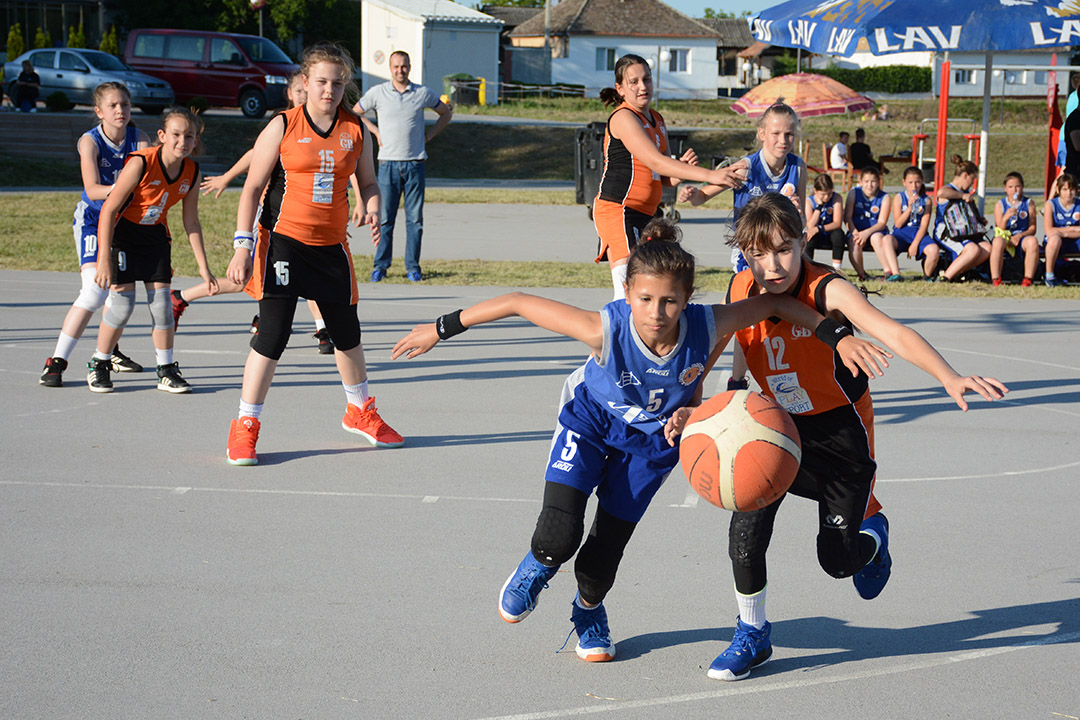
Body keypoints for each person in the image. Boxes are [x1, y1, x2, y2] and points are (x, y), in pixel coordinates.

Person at [391, 219, 888, 664]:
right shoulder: (602, 328)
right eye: (645, 300)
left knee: (603, 555)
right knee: (558, 536)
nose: (656, 312)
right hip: (589, 424)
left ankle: (587, 612)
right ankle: (537, 566)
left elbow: (779, 302)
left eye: (670, 301)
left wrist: (834, 333)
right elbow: (518, 303)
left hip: (651, 446)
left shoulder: (707, 324)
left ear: (688, 300)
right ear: (627, 293)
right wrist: (440, 328)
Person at [708, 193, 1008, 682]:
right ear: (743, 254)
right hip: (776, 423)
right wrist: (736, 384)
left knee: (838, 562)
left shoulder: (829, 290)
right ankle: (752, 631)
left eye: (783, 249)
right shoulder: (741, 286)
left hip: (840, 433)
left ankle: (871, 531)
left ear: (803, 242)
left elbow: (894, 332)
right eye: (758, 254)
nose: (772, 264)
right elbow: (742, 336)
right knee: (747, 524)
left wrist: (949, 376)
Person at [224, 43, 403, 466]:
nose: (330, 90)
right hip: (283, 241)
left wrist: (372, 205)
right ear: (304, 83)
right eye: (321, 81)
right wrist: (242, 245)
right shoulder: (283, 125)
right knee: (272, 336)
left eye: (338, 83)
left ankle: (359, 411)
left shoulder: (355, 130)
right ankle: (245, 426)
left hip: (330, 247)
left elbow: (370, 184)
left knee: (347, 334)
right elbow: (251, 189)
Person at [174, 70, 341, 355]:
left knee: (304, 271)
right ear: (295, 91)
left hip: (301, 218)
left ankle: (318, 327)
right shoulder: (283, 123)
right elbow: (254, 155)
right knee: (246, 278)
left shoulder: (324, 127)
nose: (308, 97)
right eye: (302, 92)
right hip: (271, 215)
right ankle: (181, 297)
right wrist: (227, 177)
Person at [87, 106, 217, 394]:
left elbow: (191, 221)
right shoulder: (141, 163)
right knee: (121, 307)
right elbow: (109, 210)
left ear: (196, 140)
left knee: (162, 308)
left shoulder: (192, 171)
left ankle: (166, 370)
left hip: (155, 237)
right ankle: (99, 362)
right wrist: (104, 259)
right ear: (162, 135)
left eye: (189, 136)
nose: (182, 142)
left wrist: (204, 269)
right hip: (122, 234)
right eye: (176, 135)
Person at [592, 54, 743, 301]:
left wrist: (679, 169)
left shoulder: (657, 119)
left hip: (647, 213)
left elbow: (664, 178)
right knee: (628, 291)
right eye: (634, 82)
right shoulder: (623, 117)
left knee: (651, 282)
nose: (643, 86)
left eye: (647, 79)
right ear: (620, 88)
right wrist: (710, 174)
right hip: (618, 209)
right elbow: (655, 160)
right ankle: (617, 337)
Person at [679, 102, 806, 391]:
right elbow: (703, 197)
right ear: (762, 133)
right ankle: (732, 380)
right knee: (745, 315)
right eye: (775, 133)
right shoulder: (745, 168)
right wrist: (692, 193)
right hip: (751, 253)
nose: (782, 141)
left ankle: (780, 377)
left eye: (789, 134)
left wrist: (798, 215)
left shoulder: (797, 168)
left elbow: (802, 217)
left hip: (784, 254)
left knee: (785, 315)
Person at [38, 82, 151, 388]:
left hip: (125, 223)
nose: (120, 110)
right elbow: (92, 189)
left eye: (125, 105)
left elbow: (149, 184)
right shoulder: (89, 142)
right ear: (99, 111)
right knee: (94, 291)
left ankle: (109, 350)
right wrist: (124, 188)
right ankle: (56, 362)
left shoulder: (139, 139)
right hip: (93, 220)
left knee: (123, 295)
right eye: (113, 106)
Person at [352, 50, 452, 284]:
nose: (400, 70)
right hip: (388, 164)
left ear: (410, 67)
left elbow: (445, 114)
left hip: (415, 163)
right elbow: (354, 113)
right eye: (396, 66)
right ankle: (381, 266)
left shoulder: (422, 93)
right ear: (390, 68)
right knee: (385, 219)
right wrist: (374, 131)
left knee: (415, 220)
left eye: (404, 66)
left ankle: (413, 267)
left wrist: (429, 135)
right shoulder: (378, 92)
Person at [934, 156, 992, 283]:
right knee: (972, 249)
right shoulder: (951, 190)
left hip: (965, 232)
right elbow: (941, 192)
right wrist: (962, 195)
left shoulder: (966, 192)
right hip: (947, 232)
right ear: (965, 175)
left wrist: (978, 220)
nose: (972, 183)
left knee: (987, 248)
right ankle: (946, 278)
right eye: (972, 179)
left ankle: (959, 272)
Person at [874, 166, 935, 281]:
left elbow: (924, 225)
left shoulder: (926, 200)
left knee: (933, 250)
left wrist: (915, 243)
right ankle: (896, 273)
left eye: (917, 182)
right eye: (910, 182)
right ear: (904, 182)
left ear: (922, 182)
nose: (914, 186)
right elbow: (898, 224)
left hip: (918, 233)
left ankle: (927, 276)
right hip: (902, 232)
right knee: (887, 240)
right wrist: (909, 208)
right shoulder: (899, 197)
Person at [990, 172, 1038, 287]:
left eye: (1017, 186)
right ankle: (996, 279)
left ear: (1022, 187)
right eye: (1010, 187)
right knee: (997, 241)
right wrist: (1006, 217)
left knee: (1033, 242)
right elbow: (999, 229)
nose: (1014, 190)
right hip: (1005, 236)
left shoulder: (1028, 203)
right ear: (1005, 189)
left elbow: (1032, 228)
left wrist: (1019, 236)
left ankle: (1027, 279)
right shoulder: (1000, 204)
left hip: (1022, 237)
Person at [844, 166, 891, 281]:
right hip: (857, 231)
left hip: (875, 230)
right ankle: (862, 274)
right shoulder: (853, 193)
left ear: (878, 182)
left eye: (873, 181)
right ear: (860, 182)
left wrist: (866, 233)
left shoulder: (885, 197)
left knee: (876, 238)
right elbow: (847, 217)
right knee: (854, 242)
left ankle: (888, 272)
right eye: (866, 181)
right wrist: (855, 232)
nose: (870, 185)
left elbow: (882, 223)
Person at [1041, 172, 1080, 287]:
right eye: (1065, 189)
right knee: (1054, 240)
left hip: (1074, 240)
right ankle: (1049, 276)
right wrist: (1072, 230)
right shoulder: (1050, 204)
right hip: (1058, 240)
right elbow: (1049, 231)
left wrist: (1064, 231)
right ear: (1058, 190)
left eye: (1071, 189)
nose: (1068, 193)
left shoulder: (1078, 204)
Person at [804, 173, 845, 273]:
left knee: (839, 234)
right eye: (823, 194)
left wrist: (819, 229)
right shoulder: (809, 201)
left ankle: (837, 269)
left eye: (829, 193)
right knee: (809, 237)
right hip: (816, 235)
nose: (826, 197)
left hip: (829, 232)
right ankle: (808, 269)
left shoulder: (836, 198)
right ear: (815, 191)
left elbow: (837, 223)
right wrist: (819, 207)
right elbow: (810, 225)